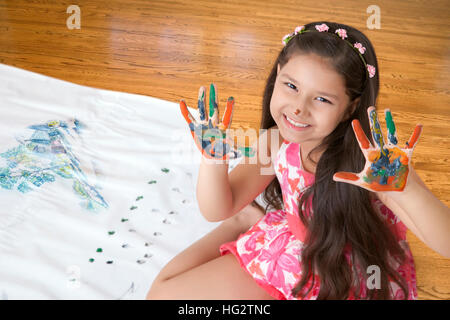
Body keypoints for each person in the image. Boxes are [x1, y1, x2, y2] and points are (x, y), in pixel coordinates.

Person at [147, 21, 450, 300]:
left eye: (322, 99)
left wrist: (407, 188)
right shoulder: (277, 141)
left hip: (350, 278)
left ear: (350, 108)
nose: (298, 109)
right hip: (292, 255)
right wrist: (213, 159)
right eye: (291, 86)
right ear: (277, 74)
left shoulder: (372, 166)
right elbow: (217, 209)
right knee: (161, 296)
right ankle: (246, 219)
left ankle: (248, 218)